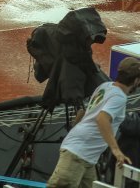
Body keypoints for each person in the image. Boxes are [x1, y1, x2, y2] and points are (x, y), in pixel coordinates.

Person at [46, 57, 140, 188]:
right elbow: (102, 119)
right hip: (78, 154)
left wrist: (75, 132)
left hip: (86, 157)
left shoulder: (105, 87)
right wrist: (116, 150)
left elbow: (83, 112)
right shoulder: (119, 97)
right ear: (136, 80)